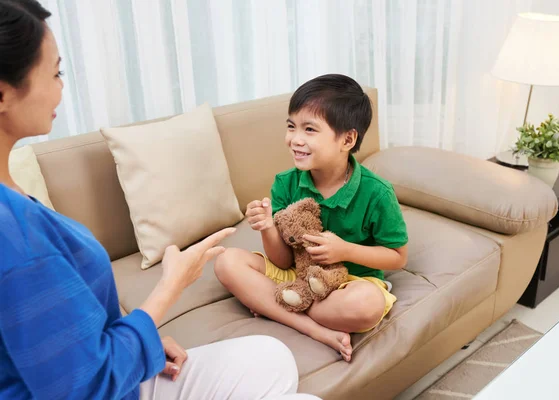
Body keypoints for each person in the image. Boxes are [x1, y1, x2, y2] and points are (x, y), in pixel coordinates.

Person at [0, 1, 319, 399]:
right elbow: (85, 387)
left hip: (112, 364)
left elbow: (63, 338)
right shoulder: (16, 237)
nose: (62, 86)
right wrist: (172, 284)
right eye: (55, 72)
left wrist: (139, 339)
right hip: (106, 387)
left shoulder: (13, 202)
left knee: (272, 356)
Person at [215, 74, 409, 362]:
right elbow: (282, 261)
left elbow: (398, 257)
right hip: (297, 273)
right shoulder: (285, 183)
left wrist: (344, 250)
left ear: (347, 139)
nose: (295, 139)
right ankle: (313, 328)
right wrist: (268, 227)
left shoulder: (377, 193)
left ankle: (275, 302)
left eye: (309, 129)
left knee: (367, 305)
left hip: (350, 282)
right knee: (226, 262)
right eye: (291, 126)